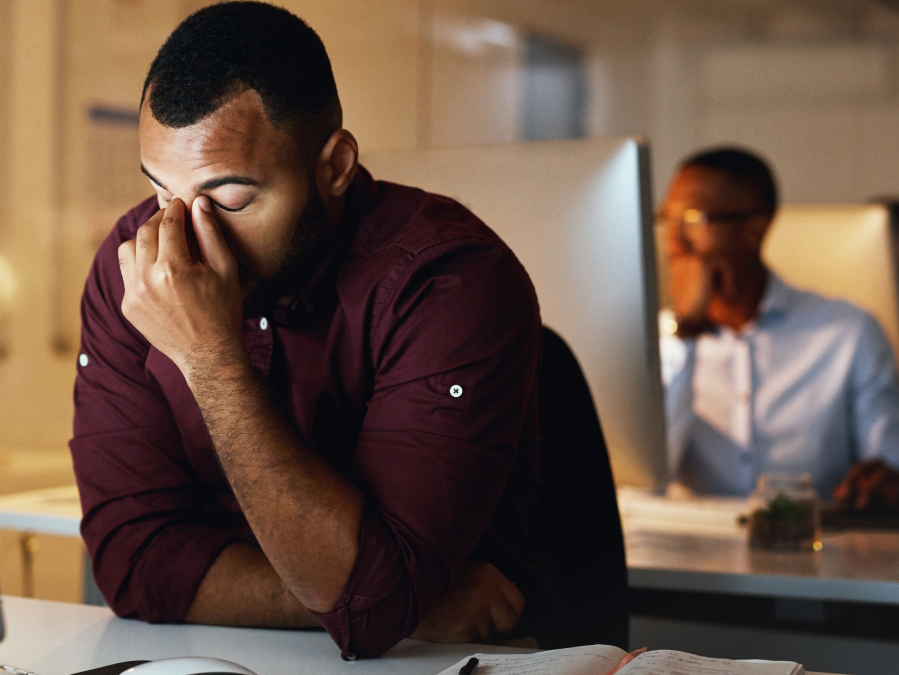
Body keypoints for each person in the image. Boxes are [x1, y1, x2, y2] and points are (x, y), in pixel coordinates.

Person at [69, 1, 566, 660]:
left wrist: (208, 355)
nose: (184, 241)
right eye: (163, 193)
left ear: (334, 166)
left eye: (231, 199)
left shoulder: (453, 280)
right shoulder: (132, 264)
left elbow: (369, 605)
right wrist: (399, 599)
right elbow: (133, 561)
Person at [658, 147, 899, 509]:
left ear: (755, 230)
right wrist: (688, 331)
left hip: (815, 552)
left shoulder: (848, 333)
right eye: (667, 218)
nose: (673, 241)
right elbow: (645, 484)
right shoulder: (662, 342)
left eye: (694, 218)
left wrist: (895, 486)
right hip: (690, 555)